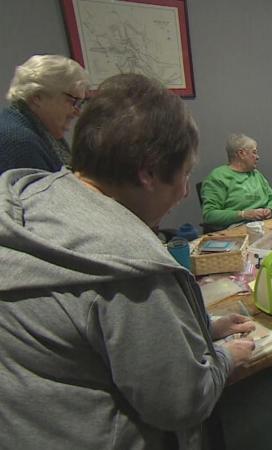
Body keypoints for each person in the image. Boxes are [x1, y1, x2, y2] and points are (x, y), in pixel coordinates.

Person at [0, 73, 256, 449]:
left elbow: (91, 336)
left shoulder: (30, 200)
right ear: (148, 172)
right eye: (184, 174)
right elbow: (181, 402)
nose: (186, 191)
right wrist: (225, 357)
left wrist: (204, 327)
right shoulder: (133, 268)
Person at [0, 54, 89, 174]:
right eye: (73, 101)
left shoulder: (41, 129)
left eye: (80, 103)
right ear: (37, 98)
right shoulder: (18, 141)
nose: (77, 112)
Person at [201, 133, 272, 229]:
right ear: (241, 154)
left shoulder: (255, 173)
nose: (257, 157)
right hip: (239, 228)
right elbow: (209, 215)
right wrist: (243, 214)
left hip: (265, 223)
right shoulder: (218, 177)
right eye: (254, 152)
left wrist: (270, 209)